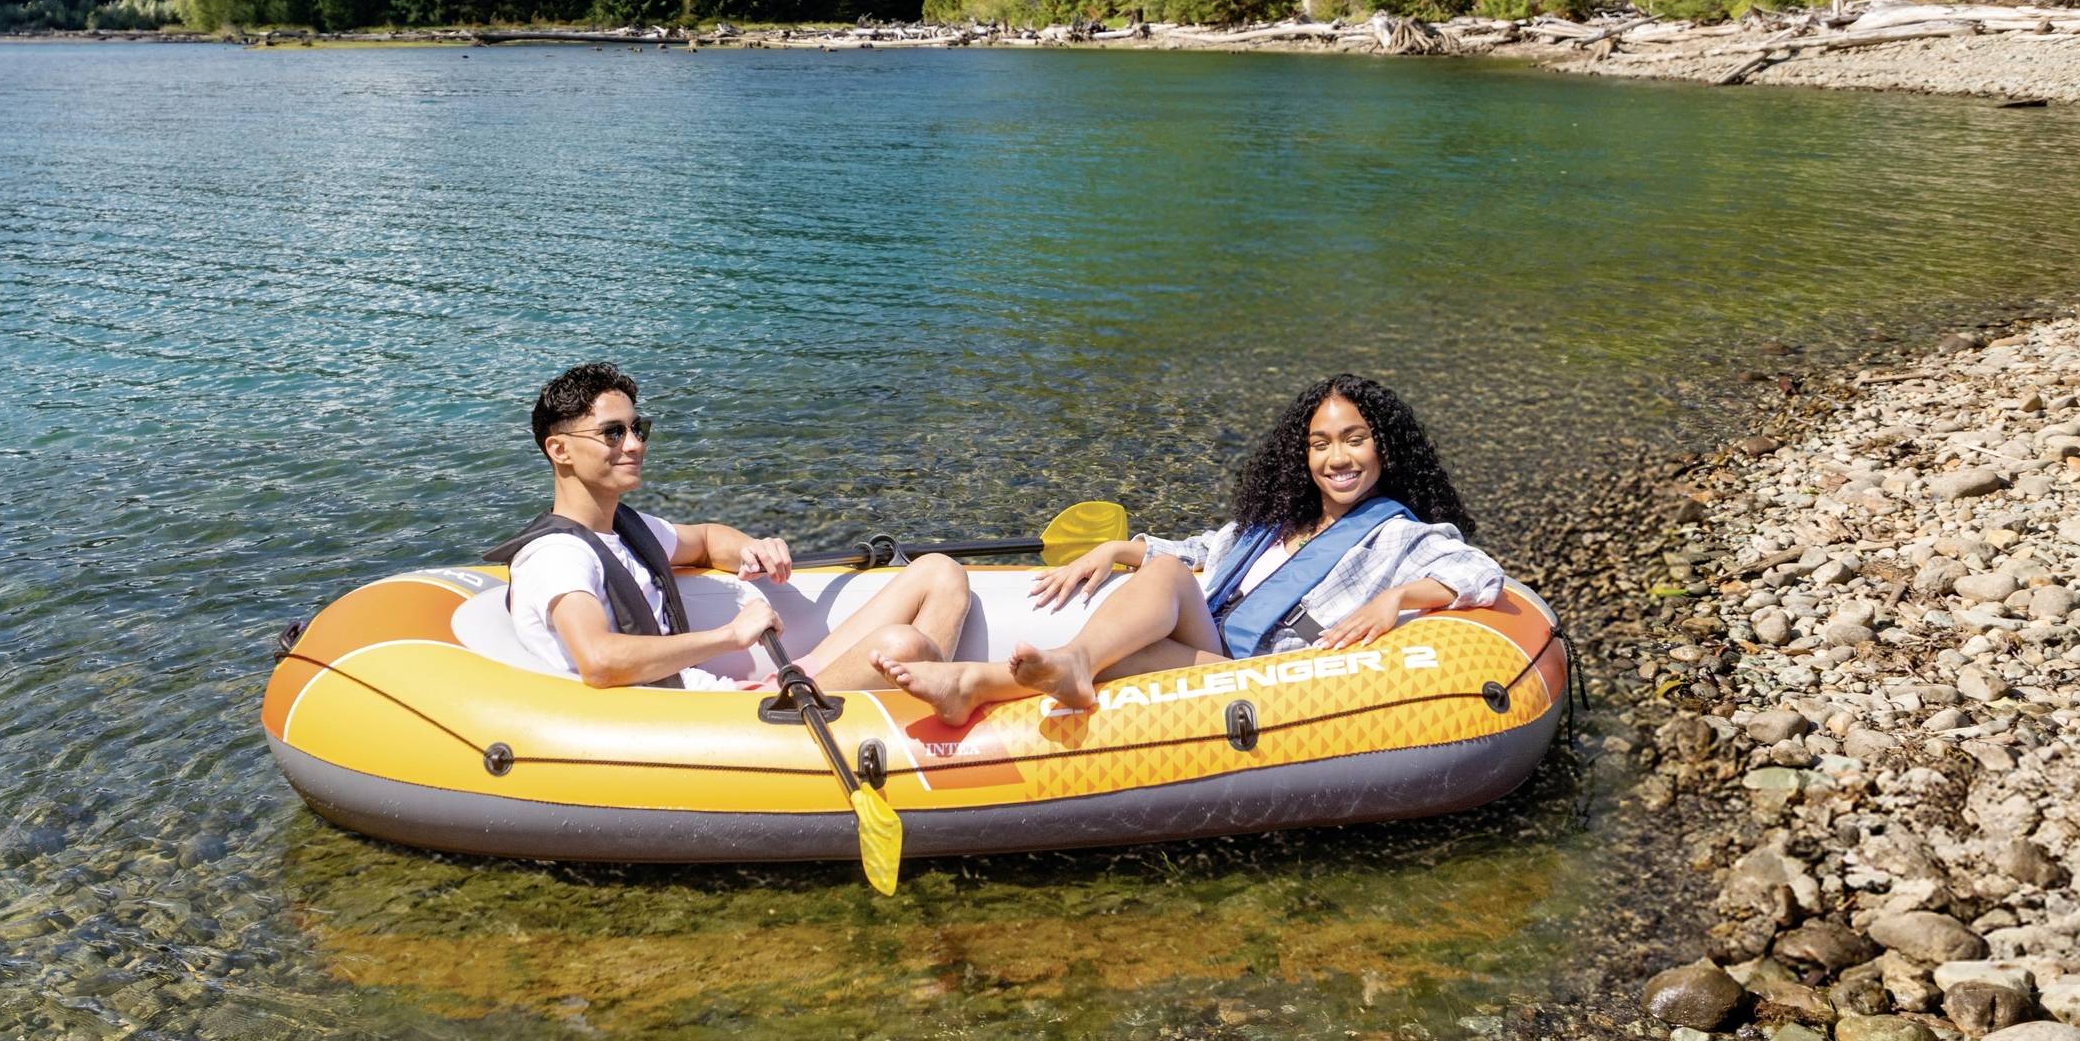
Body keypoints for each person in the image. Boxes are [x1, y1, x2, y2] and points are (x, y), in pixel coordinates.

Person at [873, 375, 1504, 720]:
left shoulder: (1396, 535)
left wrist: (1398, 596)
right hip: (1208, 660)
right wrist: (1119, 549)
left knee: (1168, 577)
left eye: (1355, 439)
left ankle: (1061, 664)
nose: (1337, 457)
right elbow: (1202, 548)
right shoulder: (1275, 524)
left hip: (1265, 678)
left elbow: (1478, 572)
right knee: (1124, 645)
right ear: (1303, 455)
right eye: (1320, 444)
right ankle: (976, 686)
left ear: (1383, 449)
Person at [489, 361, 971, 690]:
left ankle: (931, 709)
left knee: (939, 573)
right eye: (613, 433)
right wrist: (732, 635)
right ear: (560, 450)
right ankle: (936, 716)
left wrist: (751, 548)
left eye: (639, 429)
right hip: (714, 721)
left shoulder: (625, 529)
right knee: (902, 645)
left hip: (745, 694)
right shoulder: (559, 556)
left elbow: (706, 540)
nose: (634, 444)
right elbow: (599, 661)